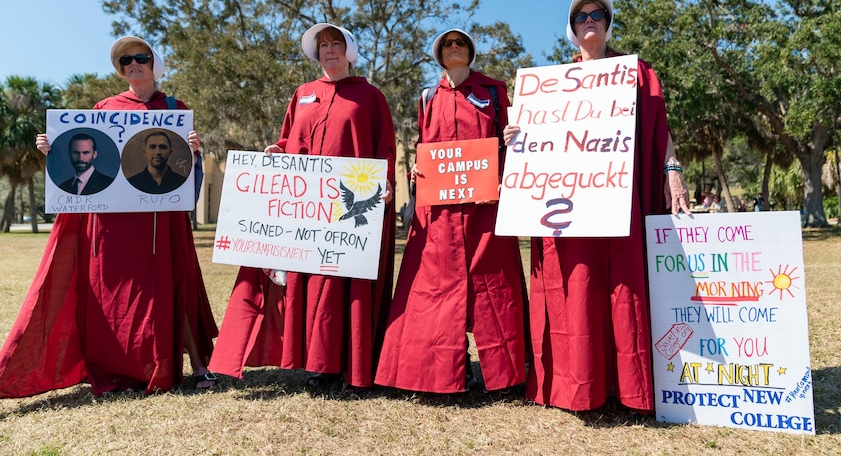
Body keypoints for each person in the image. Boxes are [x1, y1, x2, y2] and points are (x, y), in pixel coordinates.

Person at [503, 0, 690, 413]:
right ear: (572, 29)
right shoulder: (550, 86)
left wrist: (672, 169)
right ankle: (581, 386)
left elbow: (661, 128)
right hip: (570, 212)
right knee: (579, 287)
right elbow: (531, 144)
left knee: (626, 291)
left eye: (597, 14)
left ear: (607, 23)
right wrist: (513, 138)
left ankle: (632, 389)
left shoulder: (640, 74)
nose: (590, 20)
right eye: (581, 16)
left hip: (623, 204)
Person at [0, 36, 218, 397]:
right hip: (114, 222)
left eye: (140, 58)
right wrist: (52, 149)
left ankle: (198, 366)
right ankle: (120, 369)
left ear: (153, 63)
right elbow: (85, 149)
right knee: (114, 295)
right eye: (125, 61)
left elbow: (183, 170)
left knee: (173, 284)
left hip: (160, 219)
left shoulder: (175, 108)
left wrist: (193, 151)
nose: (133, 64)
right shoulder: (105, 106)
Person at [209, 23, 396, 391]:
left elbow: (384, 148)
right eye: (323, 45)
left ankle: (340, 368)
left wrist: (385, 182)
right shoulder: (303, 93)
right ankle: (318, 363)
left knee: (339, 285)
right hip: (306, 214)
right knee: (310, 286)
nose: (329, 50)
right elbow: (289, 137)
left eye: (336, 44)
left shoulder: (370, 97)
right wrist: (276, 152)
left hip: (348, 210)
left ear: (349, 51)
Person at [374, 29, 526, 394]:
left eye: (460, 43)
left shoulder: (493, 91)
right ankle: (438, 371)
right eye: (447, 44)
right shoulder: (428, 97)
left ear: (470, 51)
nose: (454, 47)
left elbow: (512, 140)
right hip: (439, 213)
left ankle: (502, 375)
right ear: (440, 55)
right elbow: (425, 145)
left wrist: (510, 151)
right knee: (434, 289)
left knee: (493, 287)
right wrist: (416, 171)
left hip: (484, 208)